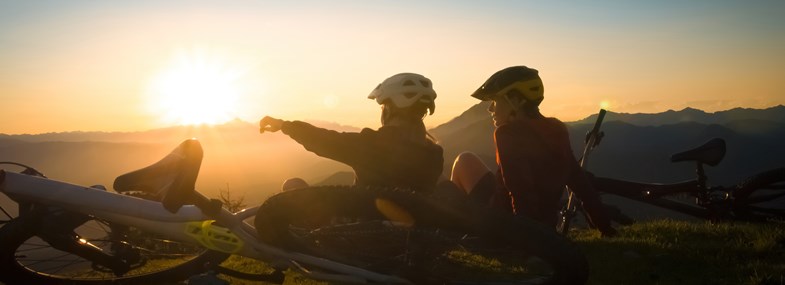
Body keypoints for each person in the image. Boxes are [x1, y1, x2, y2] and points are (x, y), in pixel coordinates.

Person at [451, 66, 617, 236]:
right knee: (466, 159)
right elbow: (579, 181)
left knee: (463, 161)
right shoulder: (556, 128)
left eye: (495, 101)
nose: (490, 109)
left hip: (506, 222)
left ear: (515, 101)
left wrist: (529, 238)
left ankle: (451, 233)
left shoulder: (508, 134)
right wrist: (605, 227)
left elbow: (520, 191)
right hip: (544, 223)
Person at [258, 72, 443, 193]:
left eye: (384, 106)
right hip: (412, 237)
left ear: (389, 109)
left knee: (293, 186)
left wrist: (284, 125)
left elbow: (322, 140)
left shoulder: (373, 145)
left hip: (363, 234)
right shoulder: (434, 154)